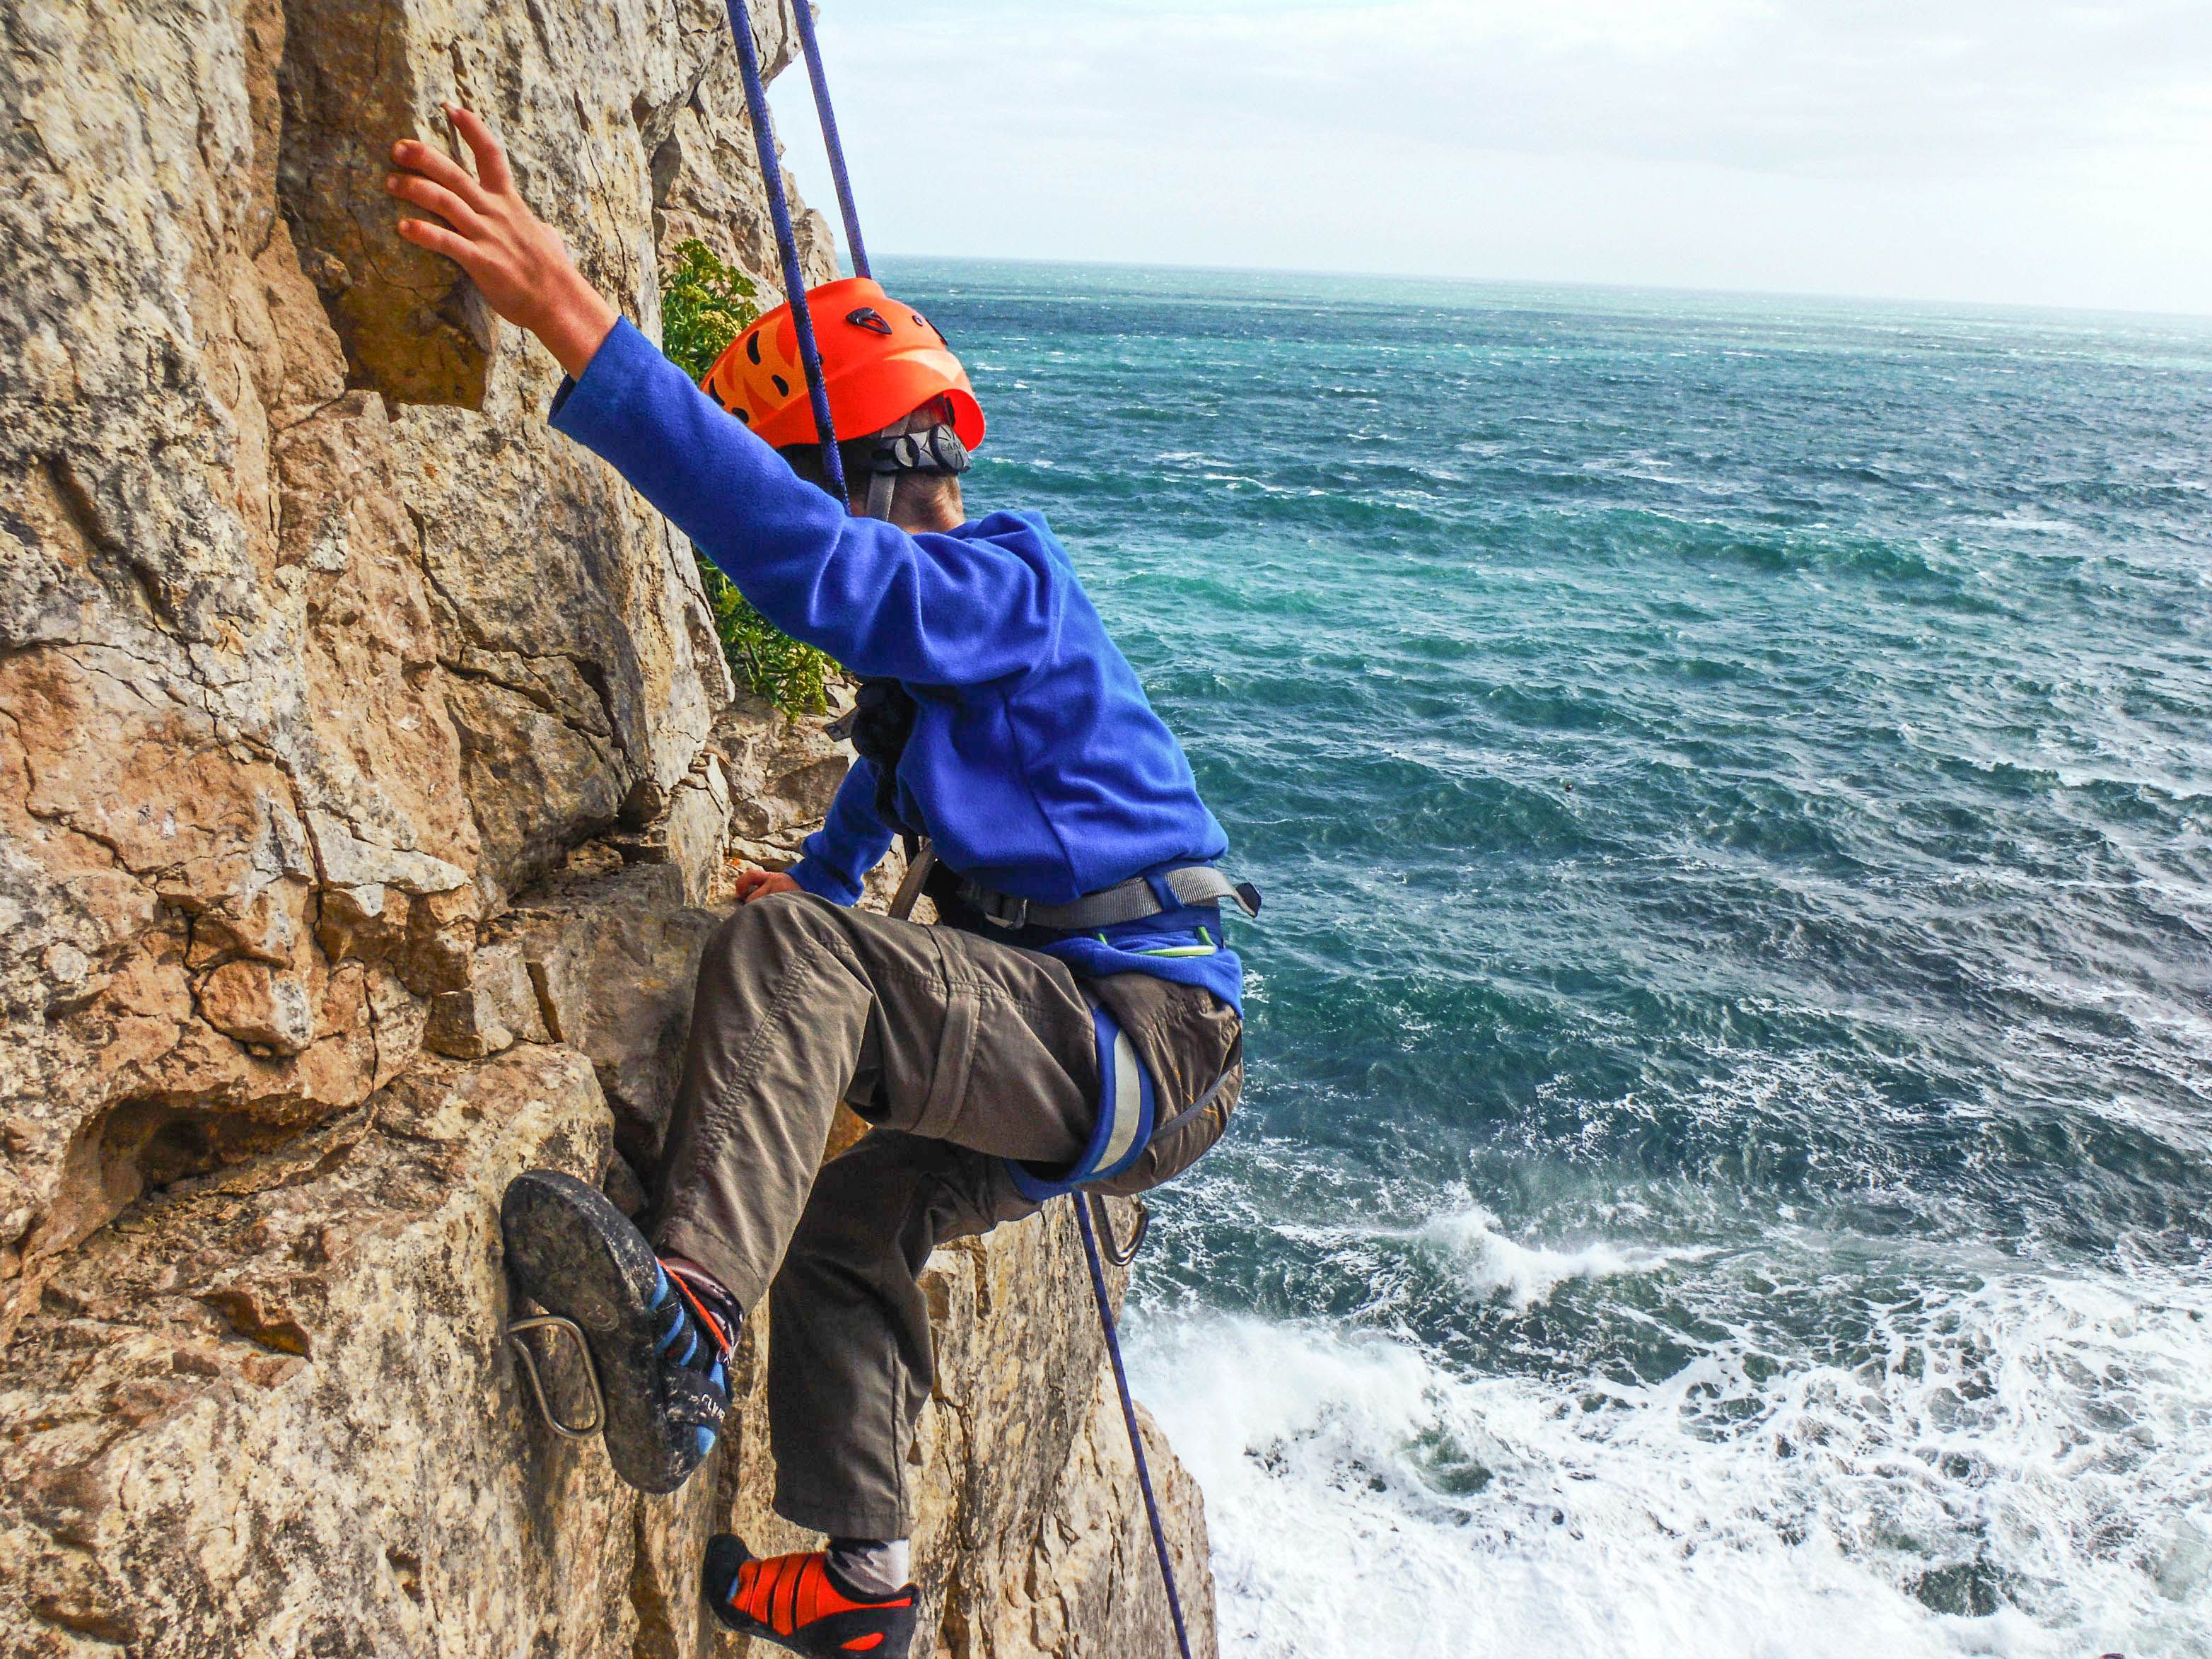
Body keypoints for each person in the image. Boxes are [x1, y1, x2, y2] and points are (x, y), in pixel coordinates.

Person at [385, 107, 1251, 1659]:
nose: (797, 515)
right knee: (852, 1226)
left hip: (1134, 1027)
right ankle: (868, 1581)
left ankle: (687, 1323)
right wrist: (825, 867)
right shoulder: (946, 673)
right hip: (1126, 1049)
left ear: (868, 471)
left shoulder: (1004, 582)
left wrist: (577, 323)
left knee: (802, 962)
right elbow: (885, 778)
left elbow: (820, 573)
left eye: (807, 479)